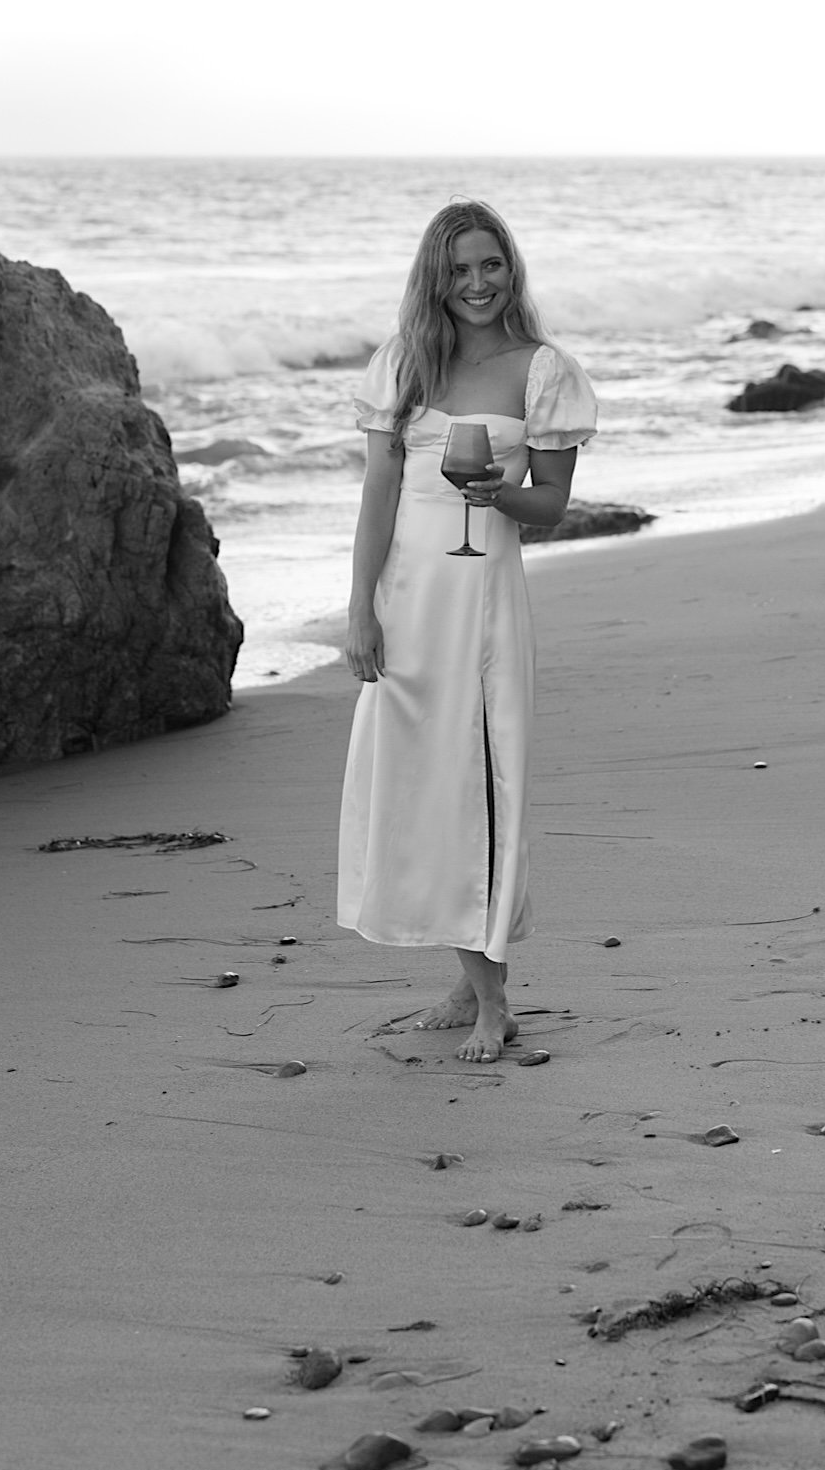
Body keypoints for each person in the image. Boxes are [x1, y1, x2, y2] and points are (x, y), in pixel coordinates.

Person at [338, 200, 597, 1062]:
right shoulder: (405, 363)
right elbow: (379, 490)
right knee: (421, 784)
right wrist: (359, 605)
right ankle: (466, 977)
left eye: (490, 265)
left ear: (509, 268)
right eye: (459, 270)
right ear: (435, 279)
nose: (477, 283)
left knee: (480, 780)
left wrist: (498, 497)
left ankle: (496, 1000)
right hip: (408, 600)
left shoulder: (544, 370)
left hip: (482, 601)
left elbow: (552, 505)